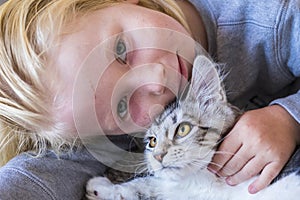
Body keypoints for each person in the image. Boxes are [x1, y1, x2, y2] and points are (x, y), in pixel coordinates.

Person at [0, 0, 299, 199]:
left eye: (121, 51)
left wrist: (289, 117)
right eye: (121, 105)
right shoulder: (117, 129)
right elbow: (42, 173)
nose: (156, 82)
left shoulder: (269, 15)